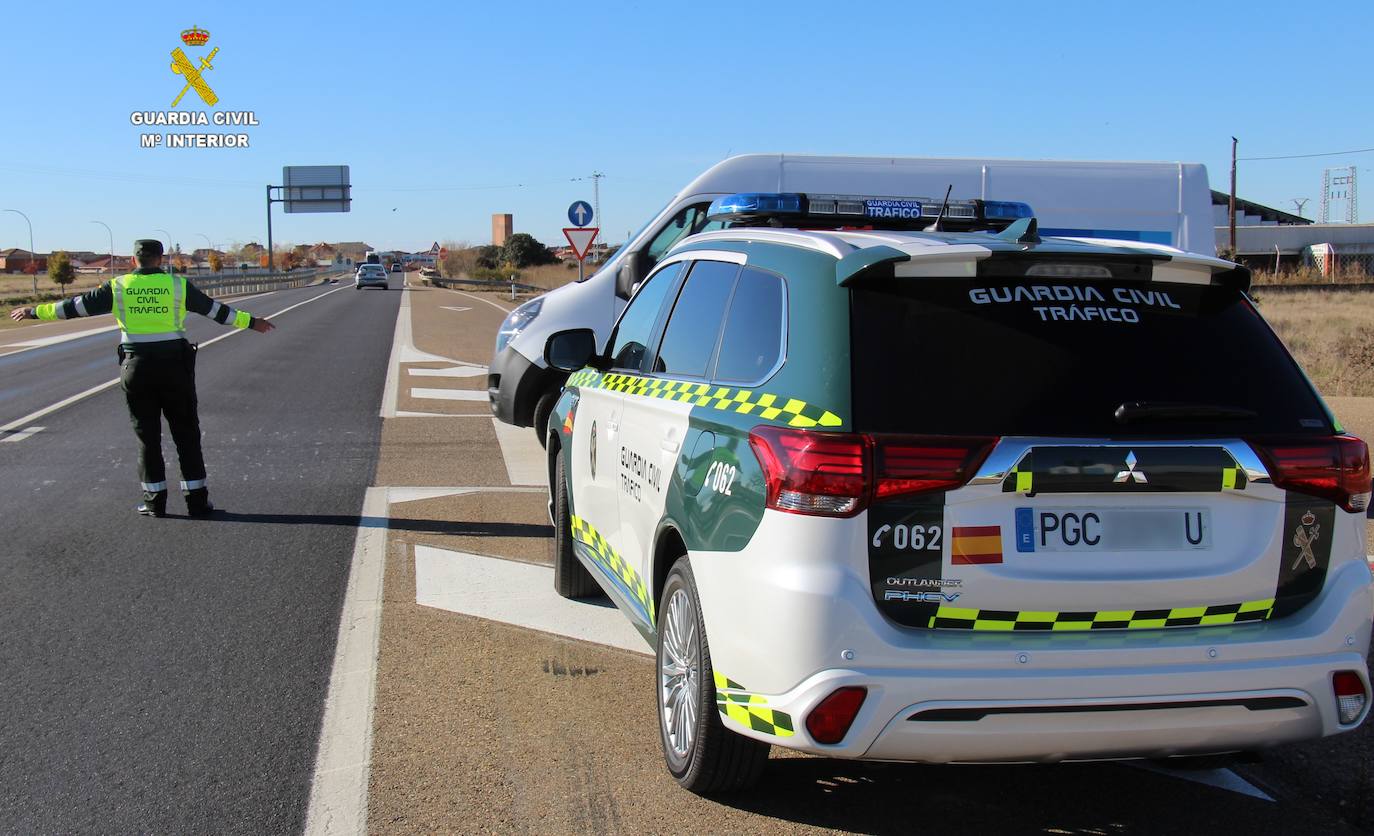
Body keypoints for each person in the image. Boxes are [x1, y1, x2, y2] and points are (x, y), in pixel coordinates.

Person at [9, 239, 275, 517]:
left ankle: (154, 502)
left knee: (147, 437)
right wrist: (252, 322)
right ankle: (197, 502)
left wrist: (34, 311)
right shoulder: (177, 285)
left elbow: (75, 307)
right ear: (161, 259)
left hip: (136, 367)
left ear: (134, 260)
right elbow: (216, 311)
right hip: (174, 366)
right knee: (186, 433)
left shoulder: (118, 287)